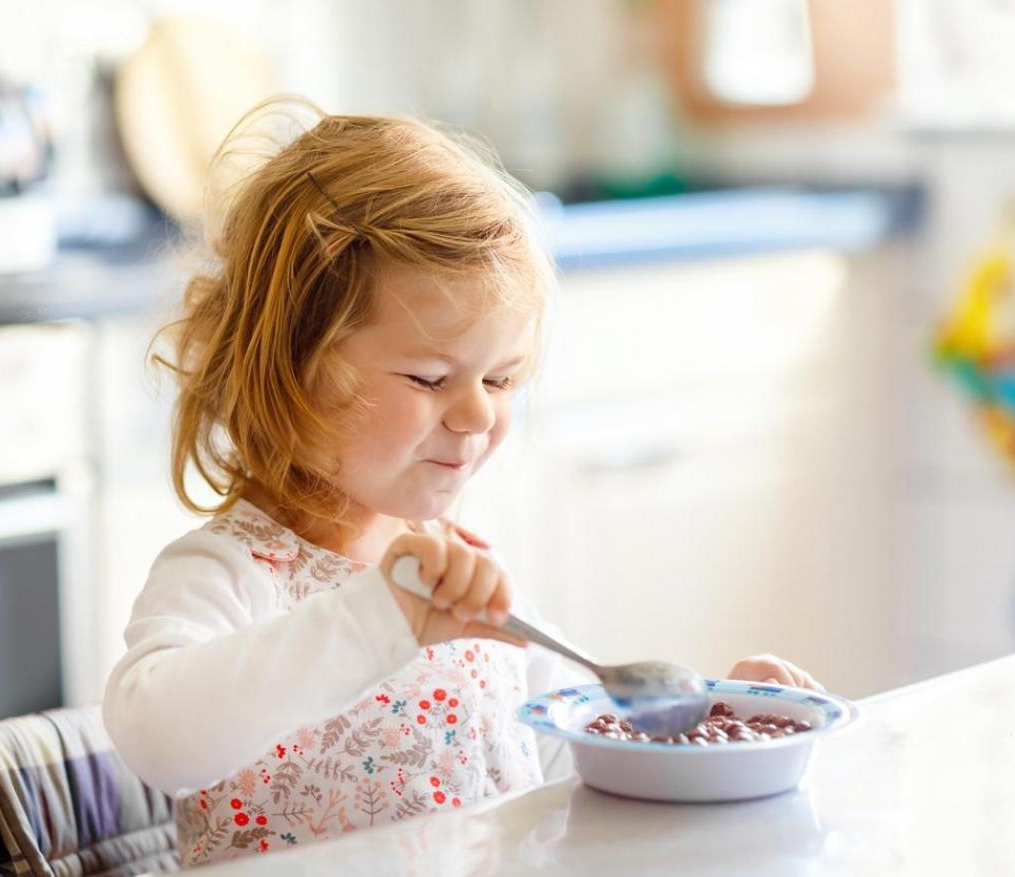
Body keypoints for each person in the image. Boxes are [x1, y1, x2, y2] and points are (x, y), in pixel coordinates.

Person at [103, 100, 822, 867]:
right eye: (430, 376)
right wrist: (380, 614)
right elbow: (157, 738)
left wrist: (709, 730)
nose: (478, 411)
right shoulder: (232, 572)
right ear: (290, 373)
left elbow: (563, 774)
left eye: (503, 376)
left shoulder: (471, 575)